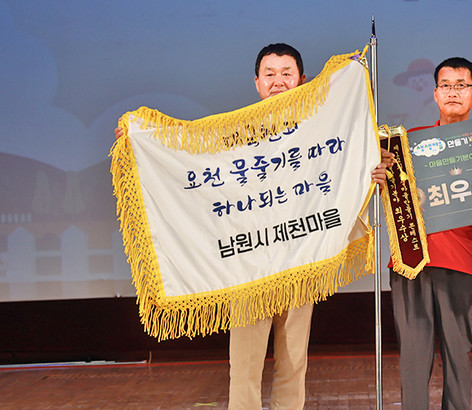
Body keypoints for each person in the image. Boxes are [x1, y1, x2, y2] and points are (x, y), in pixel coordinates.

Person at [116, 43, 393, 410]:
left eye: (286, 74)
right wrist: (142, 142)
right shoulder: (235, 135)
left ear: (302, 80)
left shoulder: (320, 128)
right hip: (249, 267)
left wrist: (373, 162)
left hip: (299, 261)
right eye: (270, 74)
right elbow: (189, 161)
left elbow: (348, 161)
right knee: (244, 367)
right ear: (257, 82)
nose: (278, 81)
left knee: (294, 362)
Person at [390, 57, 472, 409]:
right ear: (435, 93)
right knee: (413, 361)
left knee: (458, 357)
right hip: (411, 260)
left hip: (461, 262)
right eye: (446, 85)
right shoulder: (408, 142)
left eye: (461, 85)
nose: (453, 92)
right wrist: (380, 175)